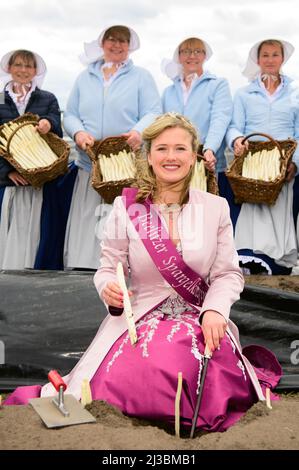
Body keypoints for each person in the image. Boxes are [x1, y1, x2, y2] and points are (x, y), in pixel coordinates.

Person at [5, 113, 281, 434]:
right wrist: (109, 288)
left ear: (194, 156)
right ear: (148, 156)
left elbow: (227, 275)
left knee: (185, 360)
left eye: (180, 149)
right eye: (162, 148)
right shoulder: (127, 207)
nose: (171, 157)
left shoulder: (216, 208)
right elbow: (109, 267)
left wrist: (215, 311)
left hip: (200, 318)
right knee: (155, 364)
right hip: (138, 321)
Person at [63, 24, 162, 270]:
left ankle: (125, 266)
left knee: (123, 215)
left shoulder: (141, 76)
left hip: (126, 163)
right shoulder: (85, 77)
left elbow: (153, 111)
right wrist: (78, 132)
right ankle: (85, 264)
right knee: (89, 214)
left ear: (129, 46)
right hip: (90, 162)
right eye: (111, 39)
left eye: (122, 40)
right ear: (102, 43)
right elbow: (71, 114)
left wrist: (139, 131)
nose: (116, 45)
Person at [226, 39, 299, 275]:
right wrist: (237, 140)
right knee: (253, 214)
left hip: (280, 163)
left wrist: (295, 162)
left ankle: (278, 265)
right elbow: (235, 126)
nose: (269, 60)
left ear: (282, 59)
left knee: (280, 214)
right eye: (265, 55)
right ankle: (250, 262)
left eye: (275, 55)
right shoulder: (244, 93)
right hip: (253, 163)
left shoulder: (294, 91)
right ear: (257, 60)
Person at [0, 49, 66, 270]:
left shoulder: (47, 98)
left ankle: (35, 269)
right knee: (10, 231)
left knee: (39, 231)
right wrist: (7, 171)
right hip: (9, 183)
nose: (23, 70)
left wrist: (49, 123)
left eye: (28, 66)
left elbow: (58, 129)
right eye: (18, 65)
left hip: (41, 181)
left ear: (36, 71)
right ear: (9, 68)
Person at [161, 36, 232, 189]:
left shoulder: (217, 85)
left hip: (207, 163)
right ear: (179, 57)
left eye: (197, 51)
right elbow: (161, 126)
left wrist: (209, 148)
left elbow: (220, 119)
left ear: (204, 56)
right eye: (186, 51)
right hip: (175, 164)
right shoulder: (169, 92)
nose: (192, 56)